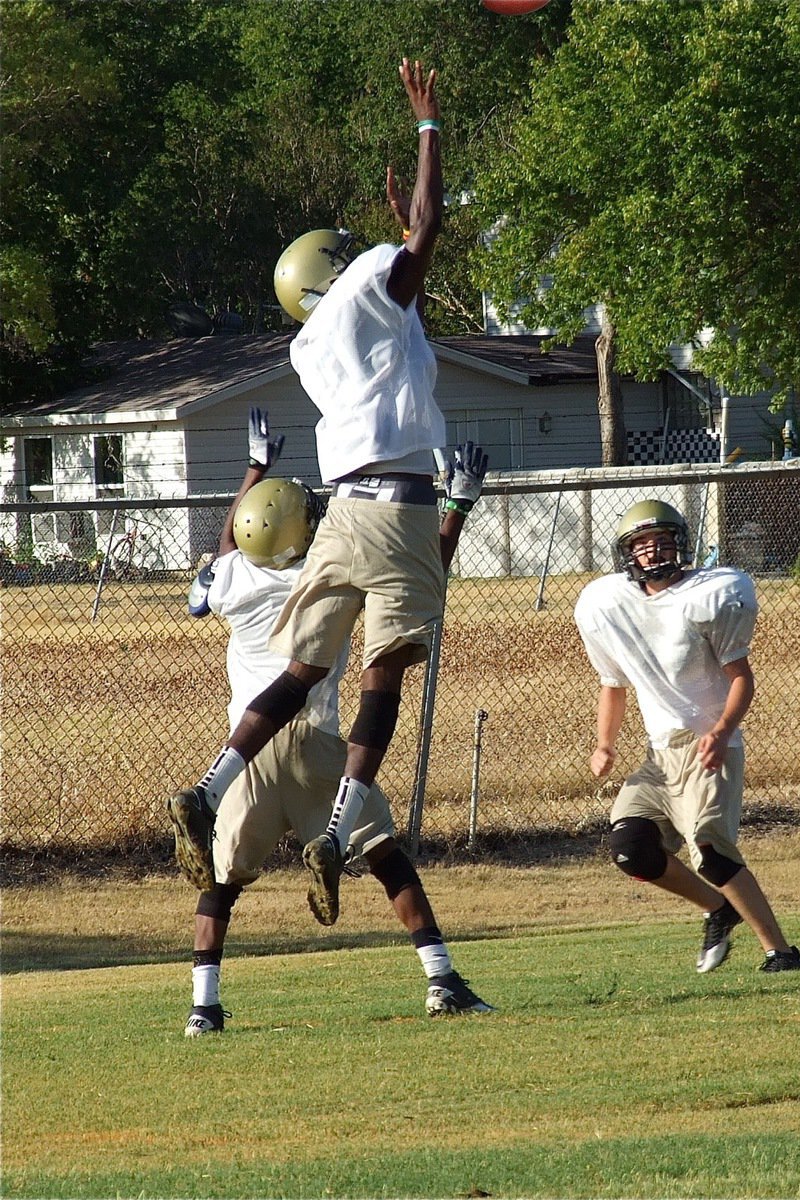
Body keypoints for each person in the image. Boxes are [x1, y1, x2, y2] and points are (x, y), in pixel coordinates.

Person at [168, 58, 452, 928]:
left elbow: (403, 282)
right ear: (344, 261)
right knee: (385, 676)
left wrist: (406, 233)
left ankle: (209, 784)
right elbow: (426, 235)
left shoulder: (306, 343)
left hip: (342, 505)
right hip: (398, 506)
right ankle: (337, 829)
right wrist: (428, 129)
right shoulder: (371, 278)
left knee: (302, 670)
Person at [181, 410, 493, 1035]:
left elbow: (226, 552)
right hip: (314, 737)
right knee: (385, 856)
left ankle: (203, 1007)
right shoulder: (326, 565)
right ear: (304, 532)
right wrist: (456, 504)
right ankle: (442, 979)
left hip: (247, 742)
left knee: (221, 882)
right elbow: (417, 571)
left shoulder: (232, 574)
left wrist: (254, 470)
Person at [574, 499, 800, 974]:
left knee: (713, 853)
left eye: (661, 540)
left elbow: (742, 676)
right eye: (641, 544)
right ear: (627, 554)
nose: (652, 551)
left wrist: (722, 731)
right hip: (659, 757)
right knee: (629, 848)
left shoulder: (711, 593)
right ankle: (718, 910)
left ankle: (781, 953)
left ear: (681, 544)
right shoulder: (609, 602)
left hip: (708, 749)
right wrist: (604, 743)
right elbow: (613, 683)